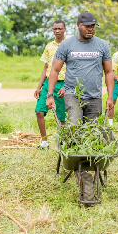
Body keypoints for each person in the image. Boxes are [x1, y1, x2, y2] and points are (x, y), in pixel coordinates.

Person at [46, 11, 114, 124]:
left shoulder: (102, 45)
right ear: (78, 25)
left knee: (91, 132)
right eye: (87, 26)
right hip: (72, 94)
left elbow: (108, 72)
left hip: (94, 96)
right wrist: (50, 95)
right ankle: (71, 141)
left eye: (92, 26)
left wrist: (110, 97)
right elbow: (55, 70)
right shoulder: (66, 44)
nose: (90, 29)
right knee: (74, 124)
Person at [34, 20, 66, 149]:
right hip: (48, 83)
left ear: (64, 29)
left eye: (59, 29)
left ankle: (62, 142)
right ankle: (44, 142)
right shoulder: (49, 46)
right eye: (54, 29)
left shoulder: (69, 45)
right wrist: (39, 86)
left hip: (63, 83)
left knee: (61, 117)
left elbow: (74, 67)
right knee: (39, 111)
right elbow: (46, 67)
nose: (57, 31)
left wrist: (67, 86)